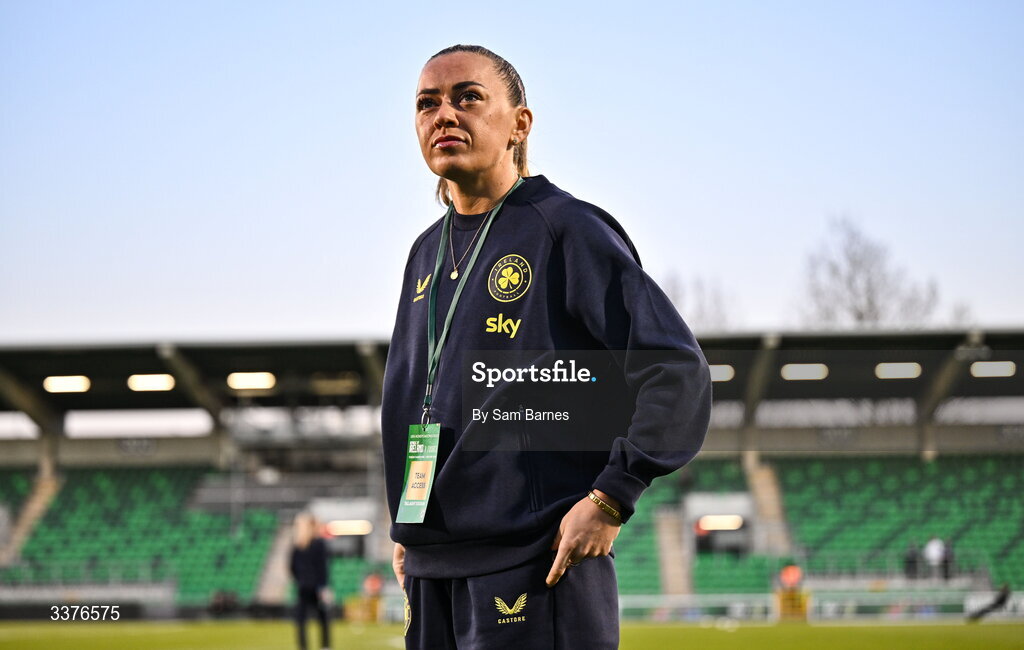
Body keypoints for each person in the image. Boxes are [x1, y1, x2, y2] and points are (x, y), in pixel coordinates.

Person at [380, 44, 712, 649]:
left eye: (468, 98)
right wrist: (410, 525)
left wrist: (613, 495)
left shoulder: (565, 229)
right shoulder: (423, 255)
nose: (443, 115)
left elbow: (674, 370)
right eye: (427, 104)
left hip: (536, 563)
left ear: (519, 125)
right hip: (433, 572)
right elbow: (419, 398)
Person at [289, 511, 332, 650]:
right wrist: (324, 587)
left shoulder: (298, 545)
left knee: (301, 619)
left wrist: (300, 580)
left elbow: (292, 567)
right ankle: (325, 646)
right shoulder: (319, 543)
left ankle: (303, 646)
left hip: (303, 587)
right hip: (317, 587)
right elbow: (322, 567)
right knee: (323, 617)